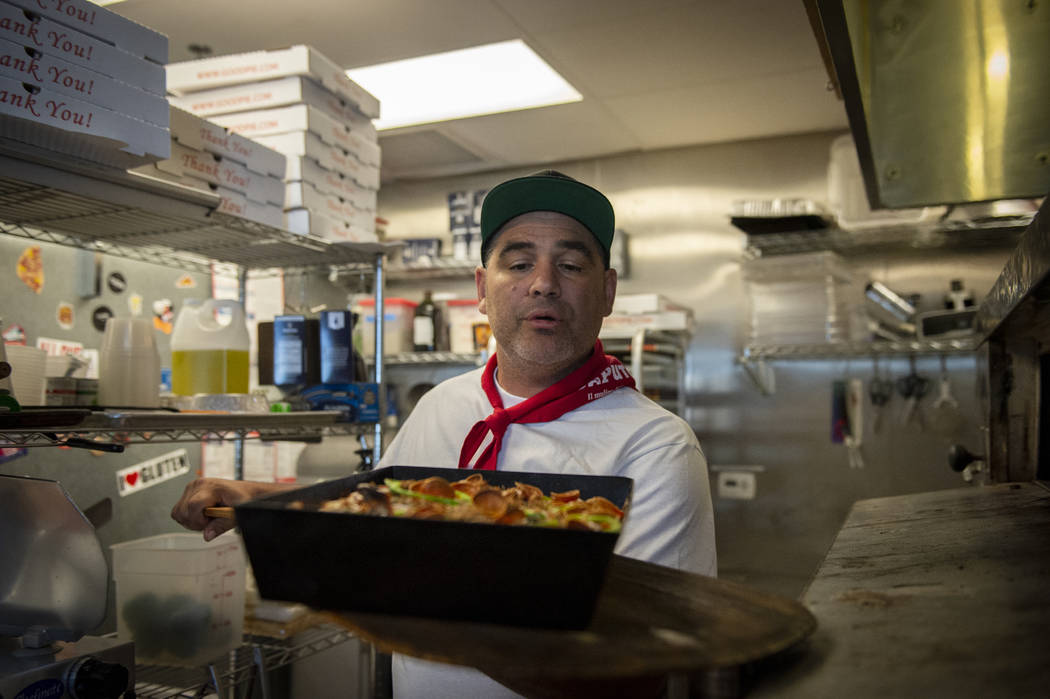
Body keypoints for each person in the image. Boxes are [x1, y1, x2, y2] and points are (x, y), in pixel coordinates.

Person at [172, 170, 716, 698]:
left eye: (571, 265)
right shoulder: (444, 405)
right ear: (483, 288)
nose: (544, 283)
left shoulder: (656, 447)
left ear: (607, 292)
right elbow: (376, 507)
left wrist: (397, 596)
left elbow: (634, 675)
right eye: (519, 262)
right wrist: (260, 501)